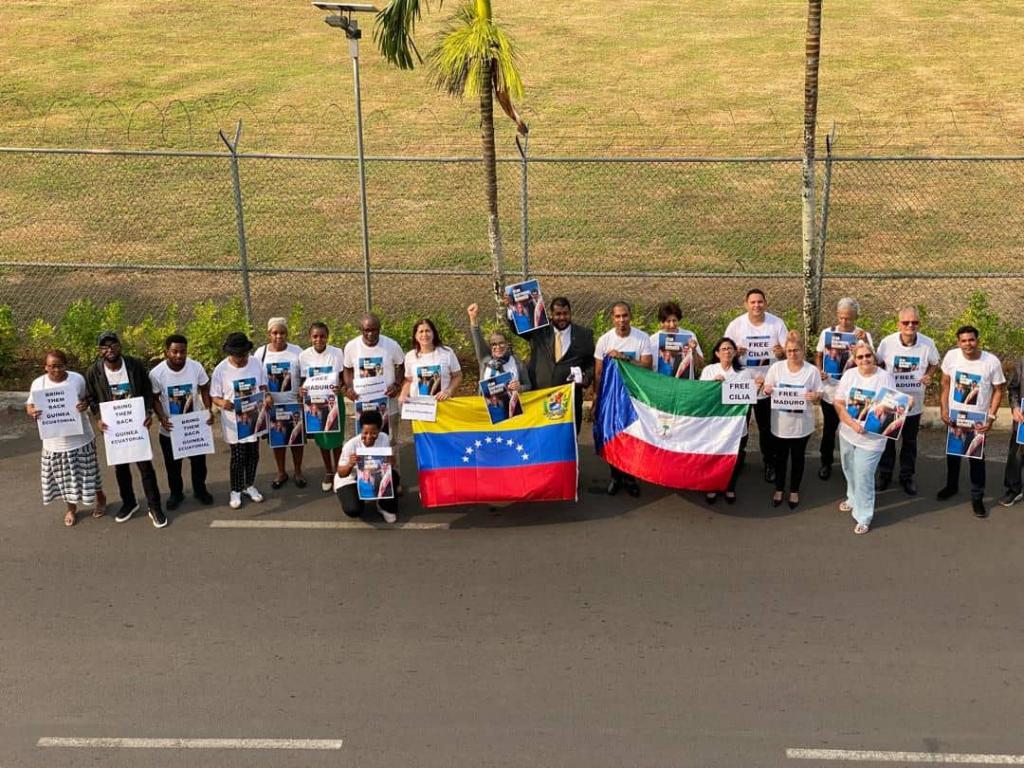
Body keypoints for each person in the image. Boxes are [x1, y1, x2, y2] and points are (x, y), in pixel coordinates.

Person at [84, 330, 166, 528]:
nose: (109, 349)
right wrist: (98, 418)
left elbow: (147, 390)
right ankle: (129, 503)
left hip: (137, 426)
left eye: (113, 345)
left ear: (120, 346)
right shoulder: (94, 372)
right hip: (114, 429)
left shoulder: (134, 365)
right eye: (104, 347)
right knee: (121, 468)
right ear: (99, 351)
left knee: (145, 467)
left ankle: (154, 506)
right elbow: (91, 398)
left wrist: (148, 412)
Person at [26, 350, 107, 527]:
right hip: (54, 441)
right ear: (45, 367)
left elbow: (88, 398)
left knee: (90, 473)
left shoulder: (77, 379)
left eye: (60, 366)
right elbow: (29, 406)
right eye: (52, 366)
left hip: (81, 438)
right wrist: (33, 412)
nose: (56, 370)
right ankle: (71, 509)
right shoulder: (38, 384)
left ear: (66, 365)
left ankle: (100, 498)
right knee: (64, 478)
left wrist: (84, 405)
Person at [937, 325, 1005, 518]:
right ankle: (951, 486)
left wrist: (991, 417)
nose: (968, 344)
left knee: (976, 459)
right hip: (955, 417)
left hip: (977, 420)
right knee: (953, 455)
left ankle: (977, 497)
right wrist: (944, 409)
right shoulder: (951, 357)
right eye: (964, 341)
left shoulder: (991, 362)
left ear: (978, 340)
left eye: (971, 340)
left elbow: (998, 391)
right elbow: (945, 384)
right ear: (958, 342)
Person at [724, 289, 788, 482]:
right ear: (746, 304)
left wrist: (781, 354)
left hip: (766, 384)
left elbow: (788, 352)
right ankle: (736, 459)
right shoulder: (736, 325)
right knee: (738, 425)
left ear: (765, 303)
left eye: (760, 302)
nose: (756, 305)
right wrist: (735, 353)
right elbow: (724, 351)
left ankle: (769, 462)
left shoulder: (776, 323)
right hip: (741, 384)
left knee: (766, 427)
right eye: (752, 302)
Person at [874, 305, 939, 495]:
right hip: (891, 400)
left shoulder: (927, 343)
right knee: (888, 439)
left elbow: (934, 363)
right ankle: (885, 474)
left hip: (914, 402)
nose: (910, 325)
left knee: (909, 441)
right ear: (898, 324)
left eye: (914, 322)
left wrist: (929, 375)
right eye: (906, 322)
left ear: (919, 324)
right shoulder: (887, 343)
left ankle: (907, 476)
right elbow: (878, 363)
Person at [506, 294, 594, 435]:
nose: (562, 317)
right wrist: (511, 308)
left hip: (569, 400)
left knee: (568, 438)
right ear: (551, 314)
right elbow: (516, 329)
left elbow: (590, 362)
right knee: (540, 437)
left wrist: (586, 378)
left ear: (570, 313)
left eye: (565, 313)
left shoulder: (584, 334)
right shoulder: (538, 330)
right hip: (540, 396)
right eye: (558, 314)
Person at [834, 341, 896, 534]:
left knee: (863, 475)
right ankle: (852, 498)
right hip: (848, 433)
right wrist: (852, 424)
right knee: (849, 468)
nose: (864, 360)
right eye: (860, 357)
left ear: (874, 356)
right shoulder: (849, 375)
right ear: (854, 359)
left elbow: (892, 405)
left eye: (868, 355)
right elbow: (839, 403)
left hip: (872, 439)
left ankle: (864, 516)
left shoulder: (885, 377)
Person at [593, 301, 654, 497]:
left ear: (630, 316)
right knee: (612, 436)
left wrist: (624, 358)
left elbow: (647, 367)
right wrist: (596, 398)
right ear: (612, 318)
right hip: (611, 397)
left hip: (634, 396)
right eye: (618, 316)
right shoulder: (604, 340)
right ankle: (615, 477)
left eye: (625, 315)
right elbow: (598, 373)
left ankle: (630, 478)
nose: (622, 320)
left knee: (633, 437)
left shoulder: (642, 338)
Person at [149, 333, 214, 510]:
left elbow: (204, 388)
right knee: (173, 466)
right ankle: (176, 494)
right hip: (170, 429)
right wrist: (162, 417)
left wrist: (208, 410)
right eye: (175, 351)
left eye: (183, 351)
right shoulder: (157, 373)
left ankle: (200, 490)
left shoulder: (195, 367)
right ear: (166, 352)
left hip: (194, 426)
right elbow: (154, 398)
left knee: (199, 463)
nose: (179, 355)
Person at [342, 313, 405, 486]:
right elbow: (347, 369)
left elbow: (402, 365)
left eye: (375, 330)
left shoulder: (391, 345)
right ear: (360, 329)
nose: (371, 334)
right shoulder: (352, 346)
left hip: (387, 403)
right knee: (365, 441)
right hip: (363, 405)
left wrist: (397, 384)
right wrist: (349, 388)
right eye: (367, 330)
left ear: (380, 329)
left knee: (390, 442)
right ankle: (367, 479)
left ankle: (394, 479)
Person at [210, 332, 271, 510]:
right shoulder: (221, 370)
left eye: (243, 355)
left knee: (253, 454)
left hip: (253, 416)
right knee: (238, 456)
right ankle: (235, 489)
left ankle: (249, 485)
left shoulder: (256, 363)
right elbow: (214, 396)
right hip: (233, 421)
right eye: (236, 355)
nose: (240, 358)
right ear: (230, 353)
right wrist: (222, 403)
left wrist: (267, 397)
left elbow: (263, 386)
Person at [814, 298, 873, 480]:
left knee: (855, 428)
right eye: (841, 317)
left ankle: (855, 464)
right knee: (829, 429)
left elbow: (872, 360)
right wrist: (819, 370)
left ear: (856, 317)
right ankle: (826, 462)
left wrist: (863, 343)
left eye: (848, 318)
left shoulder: (863, 335)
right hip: (831, 389)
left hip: (855, 392)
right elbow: (819, 355)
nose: (844, 321)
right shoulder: (827, 333)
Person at [762, 332, 823, 509]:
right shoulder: (776, 368)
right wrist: (767, 389)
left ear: (803, 350)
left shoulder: (811, 371)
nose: (792, 354)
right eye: (789, 351)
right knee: (780, 458)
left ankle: (794, 490)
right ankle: (779, 489)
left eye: (796, 350)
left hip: (802, 425)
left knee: (798, 458)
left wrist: (815, 395)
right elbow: (767, 387)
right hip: (780, 424)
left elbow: (819, 393)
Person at [700, 337, 763, 504]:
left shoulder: (744, 373)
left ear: (735, 352)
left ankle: (730, 487)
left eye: (730, 348)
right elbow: (701, 396)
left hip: (736, 424)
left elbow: (749, 398)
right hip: (715, 423)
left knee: (735, 456)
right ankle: (712, 486)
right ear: (717, 353)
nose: (727, 351)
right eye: (723, 349)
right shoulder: (709, 370)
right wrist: (712, 384)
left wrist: (757, 388)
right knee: (714, 455)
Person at [254, 317, 306, 490]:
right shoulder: (261, 353)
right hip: (273, 408)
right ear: (268, 333)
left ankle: (298, 471)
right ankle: (281, 472)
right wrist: (266, 394)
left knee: (296, 440)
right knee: (278, 441)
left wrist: (303, 390)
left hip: (294, 405)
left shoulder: (297, 351)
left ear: (287, 333)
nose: (278, 336)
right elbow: (257, 379)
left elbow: (305, 375)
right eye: (275, 333)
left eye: (282, 332)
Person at [299, 322, 347, 493]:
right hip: (314, 402)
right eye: (315, 336)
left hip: (334, 401)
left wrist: (341, 387)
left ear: (327, 336)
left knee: (336, 436)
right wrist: (302, 389)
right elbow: (303, 380)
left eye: (322, 336)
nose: (319, 339)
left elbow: (343, 378)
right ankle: (328, 471)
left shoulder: (337, 353)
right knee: (322, 438)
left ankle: (340, 472)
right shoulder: (304, 356)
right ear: (310, 337)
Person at [334, 410, 399, 524]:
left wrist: (391, 460)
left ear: (379, 430)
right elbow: (341, 473)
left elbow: (391, 464)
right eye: (365, 433)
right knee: (353, 510)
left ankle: (384, 506)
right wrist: (350, 464)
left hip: (375, 474)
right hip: (351, 479)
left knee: (394, 476)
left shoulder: (384, 438)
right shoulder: (351, 445)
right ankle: (349, 494)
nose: (369, 437)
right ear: (361, 430)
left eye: (373, 433)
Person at [468, 303, 532, 390]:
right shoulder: (486, 360)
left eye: (501, 343)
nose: (498, 347)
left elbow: (528, 385)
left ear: (507, 344)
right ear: (491, 347)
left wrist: (520, 387)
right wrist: (473, 319)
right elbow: (477, 340)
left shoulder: (517, 362)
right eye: (494, 344)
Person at [399, 319, 463, 404]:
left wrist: (449, 391)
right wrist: (403, 394)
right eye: (421, 332)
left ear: (433, 333)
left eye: (427, 331)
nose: (424, 334)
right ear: (416, 336)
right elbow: (409, 380)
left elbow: (457, 376)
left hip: (442, 404)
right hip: (418, 406)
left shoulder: (447, 353)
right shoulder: (410, 356)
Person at [648, 301, 704, 379]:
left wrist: (694, 350)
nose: (672, 325)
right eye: (668, 321)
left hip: (685, 382)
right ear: (661, 322)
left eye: (674, 320)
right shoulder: (653, 340)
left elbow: (701, 365)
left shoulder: (690, 335)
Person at [999, 355, 1024, 507]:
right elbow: (1013, 387)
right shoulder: (1022, 361)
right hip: (1022, 419)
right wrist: (1015, 407)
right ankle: (1014, 489)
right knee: (1016, 455)